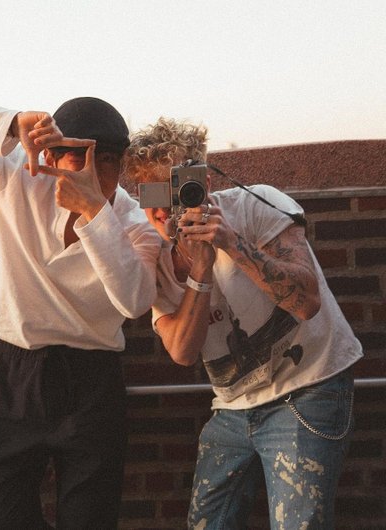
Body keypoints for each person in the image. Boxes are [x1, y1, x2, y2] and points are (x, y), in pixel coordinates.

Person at [0, 98, 162, 530]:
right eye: (80, 157)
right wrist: (13, 123)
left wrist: (95, 212)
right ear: (50, 156)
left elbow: (134, 301)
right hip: (18, 370)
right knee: (0, 516)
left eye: (107, 160)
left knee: (89, 519)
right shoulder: (13, 177)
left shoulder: (132, 221)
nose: (94, 172)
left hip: (93, 380)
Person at [123, 117, 363, 530]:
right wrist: (200, 268)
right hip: (233, 406)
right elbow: (182, 351)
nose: (161, 209)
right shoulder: (155, 254)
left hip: (307, 386)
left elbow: (306, 302)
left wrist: (229, 242)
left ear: (202, 183)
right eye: (150, 194)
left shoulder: (254, 205)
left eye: (173, 190)